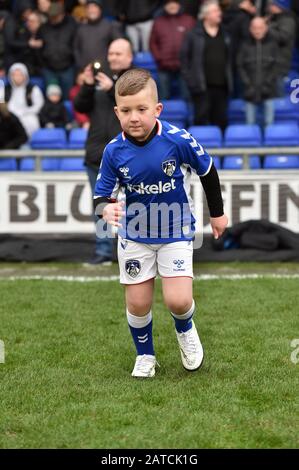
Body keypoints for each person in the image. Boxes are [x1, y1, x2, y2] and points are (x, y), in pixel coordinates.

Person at [93, 68, 228, 378]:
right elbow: (102, 195)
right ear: (117, 112)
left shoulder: (176, 140)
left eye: (142, 109)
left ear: (157, 109)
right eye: (126, 111)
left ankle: (185, 329)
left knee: (178, 301)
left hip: (176, 230)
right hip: (135, 234)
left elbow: (207, 170)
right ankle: (145, 355)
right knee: (138, 304)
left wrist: (217, 213)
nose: (134, 117)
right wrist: (105, 210)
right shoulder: (114, 151)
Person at [74, 38, 133, 264]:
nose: (113, 58)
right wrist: (88, 85)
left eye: (119, 54)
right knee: (101, 206)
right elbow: (80, 107)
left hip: (127, 155)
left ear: (129, 57)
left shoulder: (138, 81)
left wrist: (112, 91)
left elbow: (137, 108)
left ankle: (132, 250)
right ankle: (103, 251)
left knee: (132, 204)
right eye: (111, 53)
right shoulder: (100, 80)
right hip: (97, 154)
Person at [181, 0, 232, 131]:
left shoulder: (225, 33)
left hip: (222, 86)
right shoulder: (193, 34)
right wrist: (191, 81)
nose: (219, 13)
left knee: (221, 120)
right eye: (215, 11)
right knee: (200, 120)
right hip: (201, 87)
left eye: (219, 11)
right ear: (206, 15)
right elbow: (184, 60)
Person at [149, 0, 195, 100]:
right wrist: (159, 58)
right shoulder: (158, 22)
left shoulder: (189, 20)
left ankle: (189, 116)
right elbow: (152, 43)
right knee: (163, 98)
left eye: (174, 3)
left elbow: (194, 43)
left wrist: (189, 60)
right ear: (165, 6)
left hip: (184, 67)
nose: (172, 6)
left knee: (187, 98)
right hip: (164, 66)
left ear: (179, 4)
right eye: (169, 3)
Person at [238, 16, 278, 126]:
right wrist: (247, 84)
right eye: (255, 28)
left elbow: (275, 66)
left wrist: (268, 83)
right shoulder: (244, 45)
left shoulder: (272, 45)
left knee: (269, 123)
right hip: (249, 91)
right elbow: (240, 66)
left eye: (260, 28)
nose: (257, 31)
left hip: (268, 91)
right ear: (250, 29)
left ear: (265, 28)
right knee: (250, 124)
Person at [5, 62, 44, 138]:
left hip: (28, 115)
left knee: (32, 122)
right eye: (15, 75)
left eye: (20, 75)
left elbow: (39, 105)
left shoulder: (33, 89)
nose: (18, 77)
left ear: (25, 76)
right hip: (10, 116)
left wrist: (26, 112)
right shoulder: (4, 89)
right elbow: (2, 104)